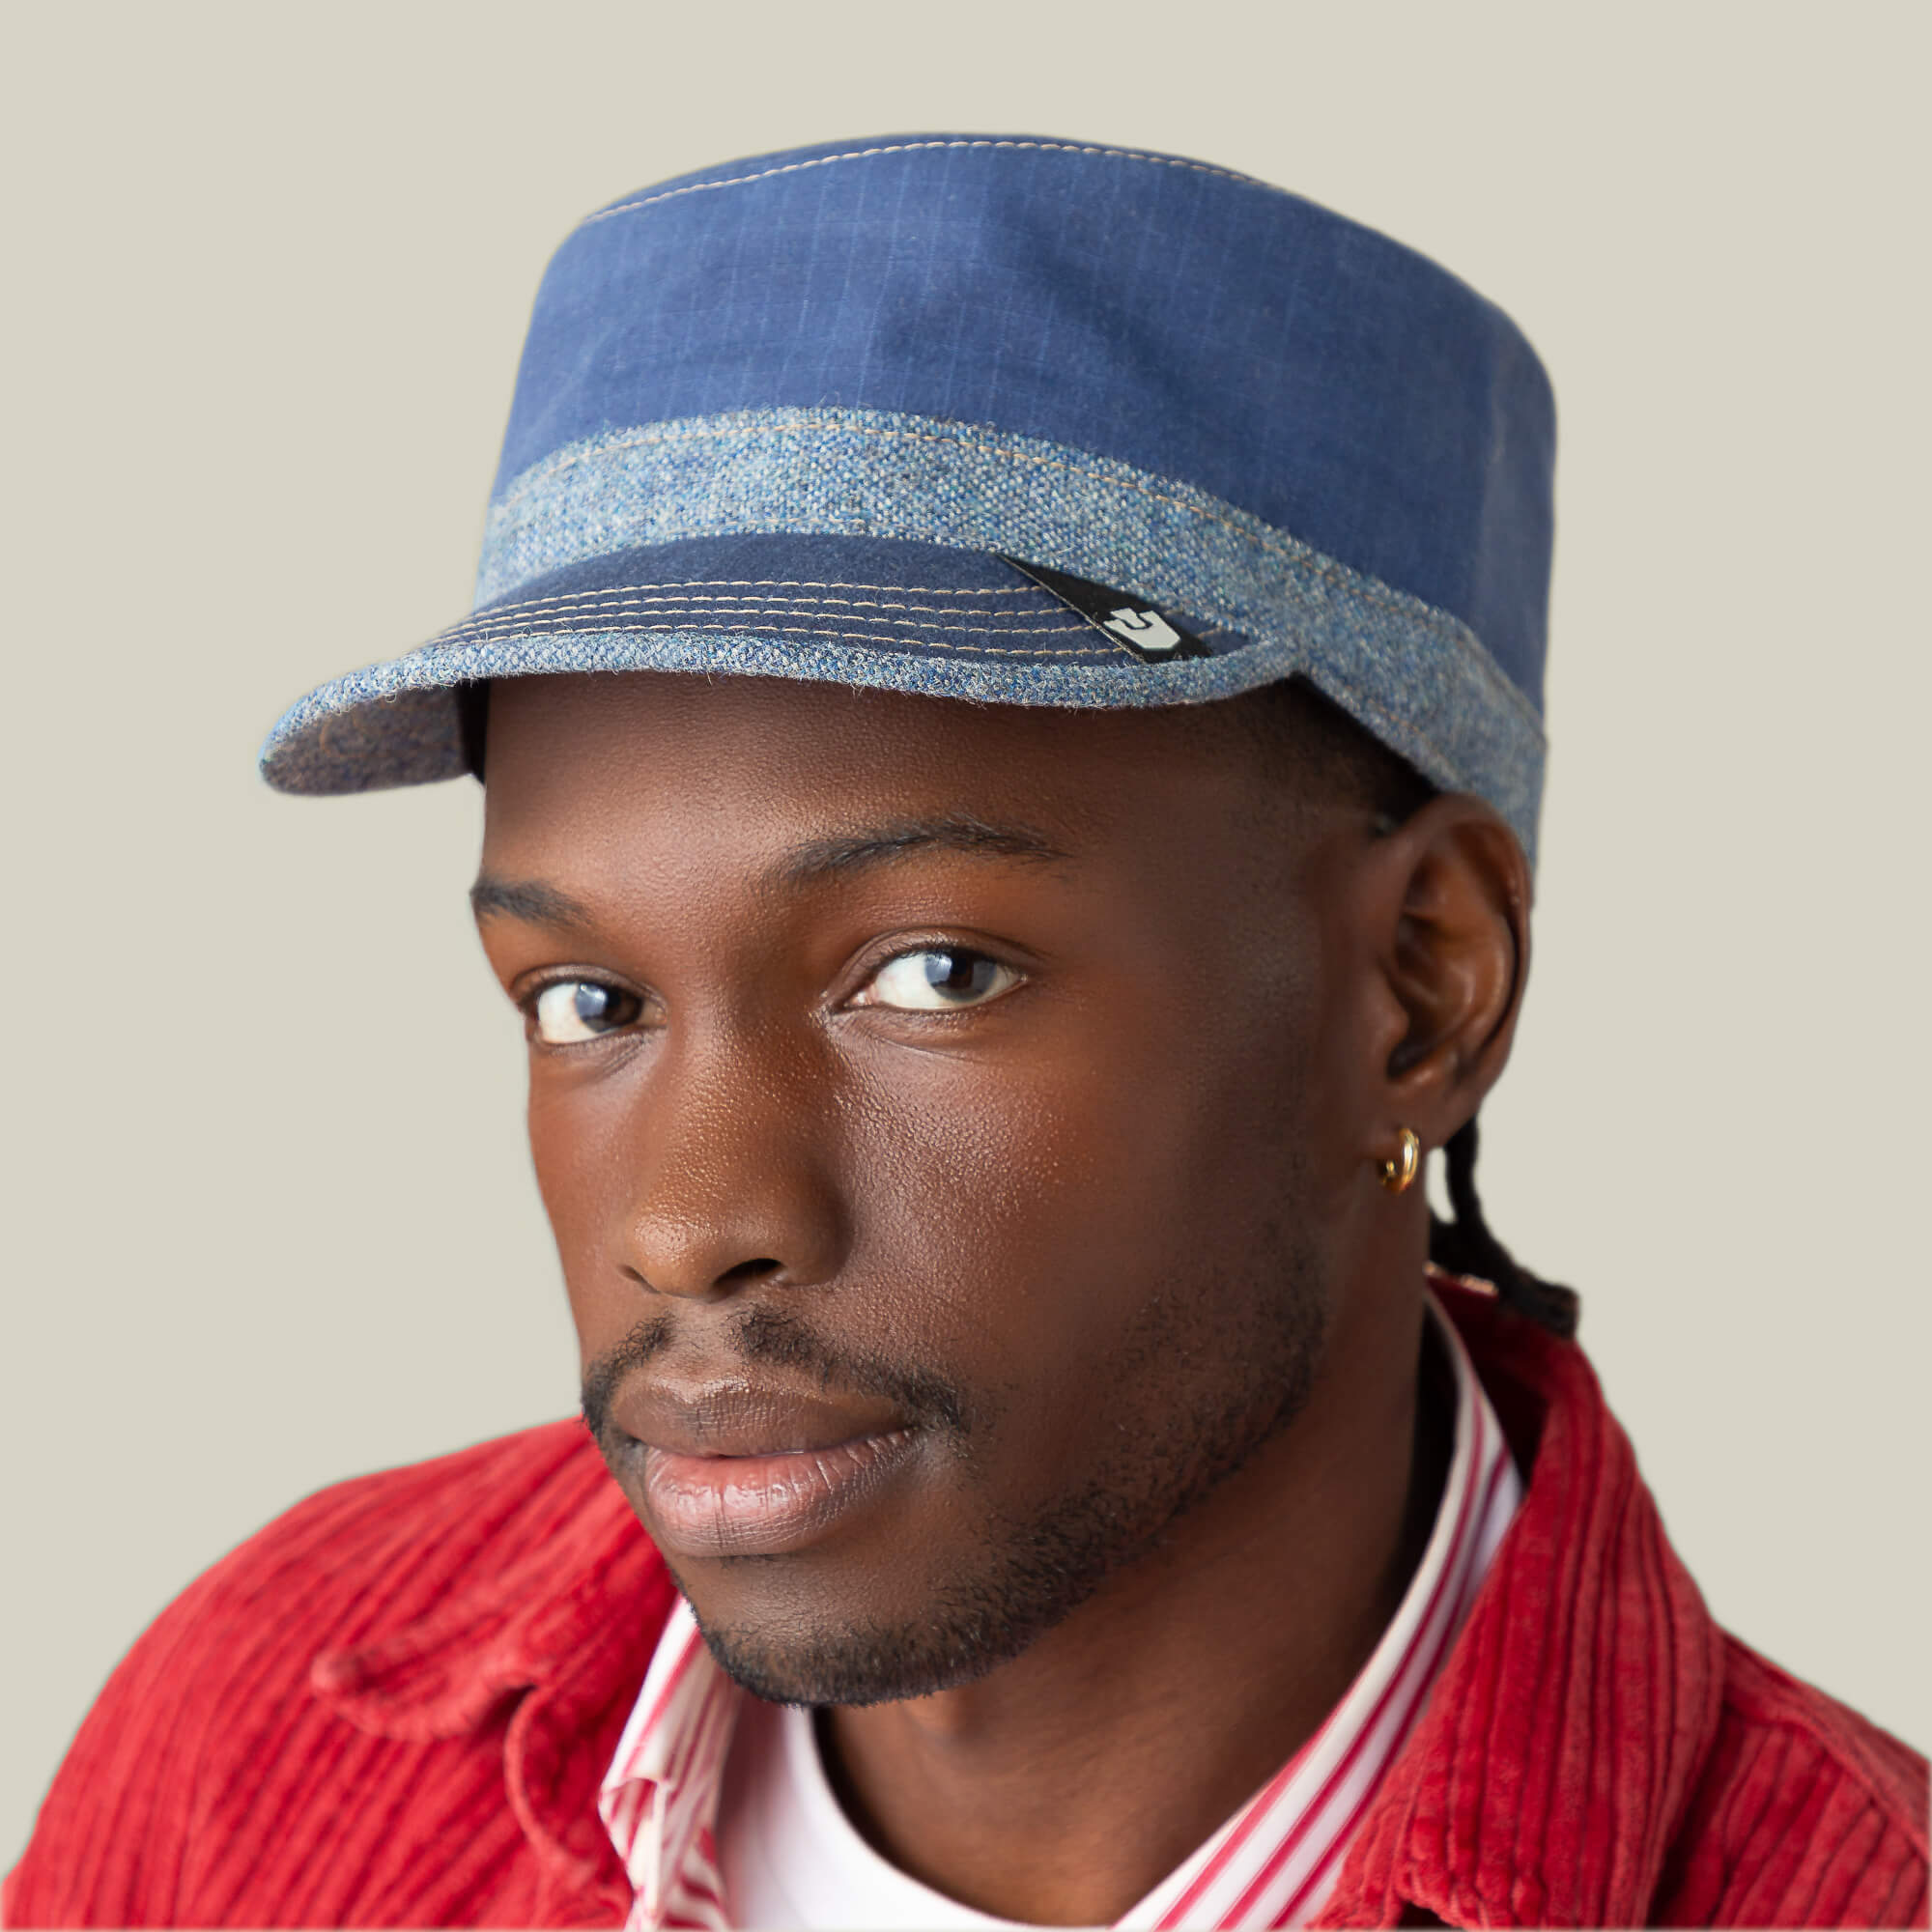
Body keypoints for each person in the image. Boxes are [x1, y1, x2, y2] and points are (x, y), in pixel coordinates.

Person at [6, 133, 1924, 1932]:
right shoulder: (264, 1714)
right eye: (587, 1001)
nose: (683, 1224)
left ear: (1417, 988)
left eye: (932, 972)